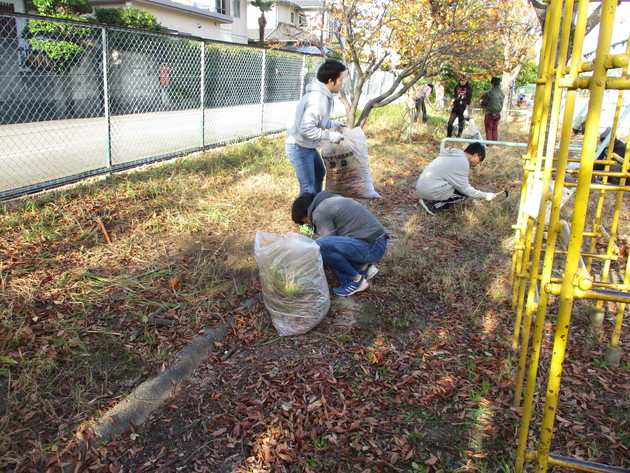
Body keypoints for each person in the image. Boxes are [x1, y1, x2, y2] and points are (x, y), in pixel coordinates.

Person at [291, 191, 390, 296]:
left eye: (306, 222)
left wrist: (306, 268)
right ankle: (363, 268)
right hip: (377, 242)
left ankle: (354, 281)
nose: (309, 224)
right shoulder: (331, 200)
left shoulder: (319, 212)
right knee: (327, 245)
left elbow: (326, 242)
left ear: (306, 213)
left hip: (371, 248)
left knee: (321, 246)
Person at [286, 58, 347, 196]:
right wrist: (329, 135)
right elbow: (306, 129)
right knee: (307, 188)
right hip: (299, 147)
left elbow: (317, 120)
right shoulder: (317, 99)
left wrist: (332, 124)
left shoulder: (323, 94)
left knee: (319, 173)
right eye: (341, 80)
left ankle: (316, 207)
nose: (342, 84)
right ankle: (306, 216)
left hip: (307, 145)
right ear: (331, 81)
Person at [416, 142, 497, 215]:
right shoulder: (462, 161)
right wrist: (485, 195)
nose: (477, 164)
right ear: (475, 155)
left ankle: (431, 200)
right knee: (463, 194)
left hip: (422, 187)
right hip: (429, 190)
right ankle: (433, 207)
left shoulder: (454, 155)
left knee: (459, 189)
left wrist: (474, 201)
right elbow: (465, 190)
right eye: (479, 161)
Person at [480, 77, 505, 142]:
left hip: (489, 113)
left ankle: (489, 143)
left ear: (492, 84)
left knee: (488, 129)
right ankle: (495, 142)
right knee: (494, 129)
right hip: (498, 113)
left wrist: (481, 101)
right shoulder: (502, 93)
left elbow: (484, 102)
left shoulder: (489, 92)